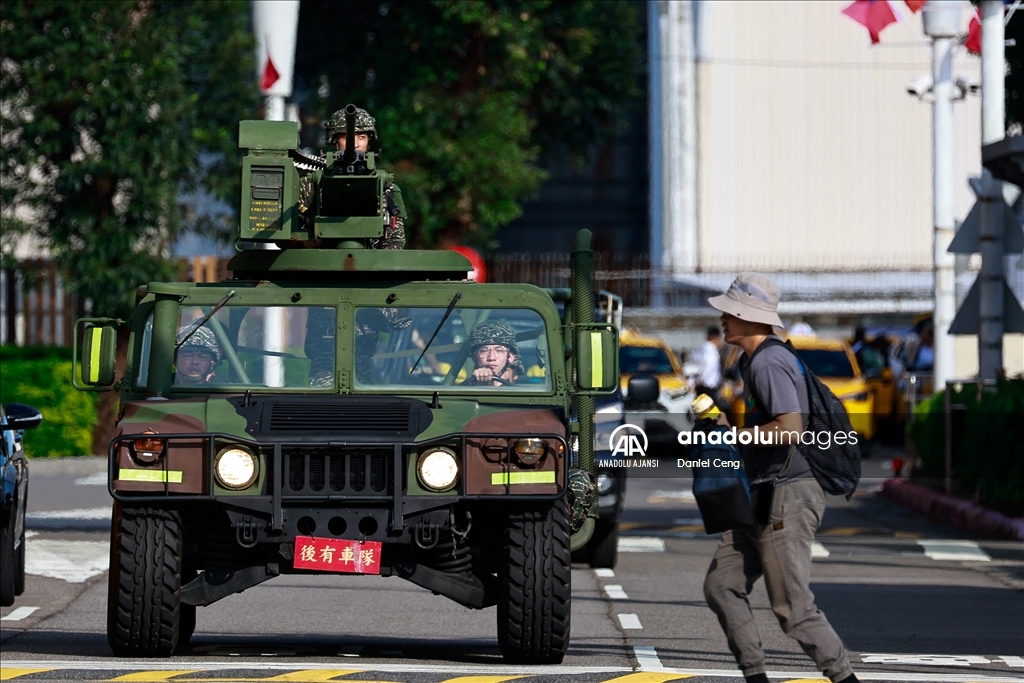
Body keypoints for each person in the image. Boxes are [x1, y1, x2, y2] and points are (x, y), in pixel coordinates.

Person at [704, 273, 860, 683]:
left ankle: (844, 677)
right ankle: (755, 676)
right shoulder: (754, 361)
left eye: (730, 311)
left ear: (750, 318)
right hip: (762, 493)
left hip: (787, 495)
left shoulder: (770, 361)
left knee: (794, 608)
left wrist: (733, 434)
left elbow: (791, 428)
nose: (722, 318)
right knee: (722, 585)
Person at [298, 106, 406, 249]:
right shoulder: (311, 184)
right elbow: (286, 232)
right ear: (334, 141)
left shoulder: (384, 186)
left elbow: (395, 240)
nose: (355, 144)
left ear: (369, 142)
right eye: (346, 137)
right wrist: (305, 241)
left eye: (362, 137)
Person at [461, 321, 524, 386]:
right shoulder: (462, 392)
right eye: (484, 351)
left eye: (499, 351)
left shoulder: (522, 392)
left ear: (510, 357)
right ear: (474, 357)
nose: (491, 358)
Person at [692, 325, 725, 403]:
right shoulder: (711, 351)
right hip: (708, 387)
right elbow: (707, 369)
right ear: (717, 338)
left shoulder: (700, 349)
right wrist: (699, 381)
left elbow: (693, 366)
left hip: (700, 386)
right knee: (711, 413)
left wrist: (694, 382)